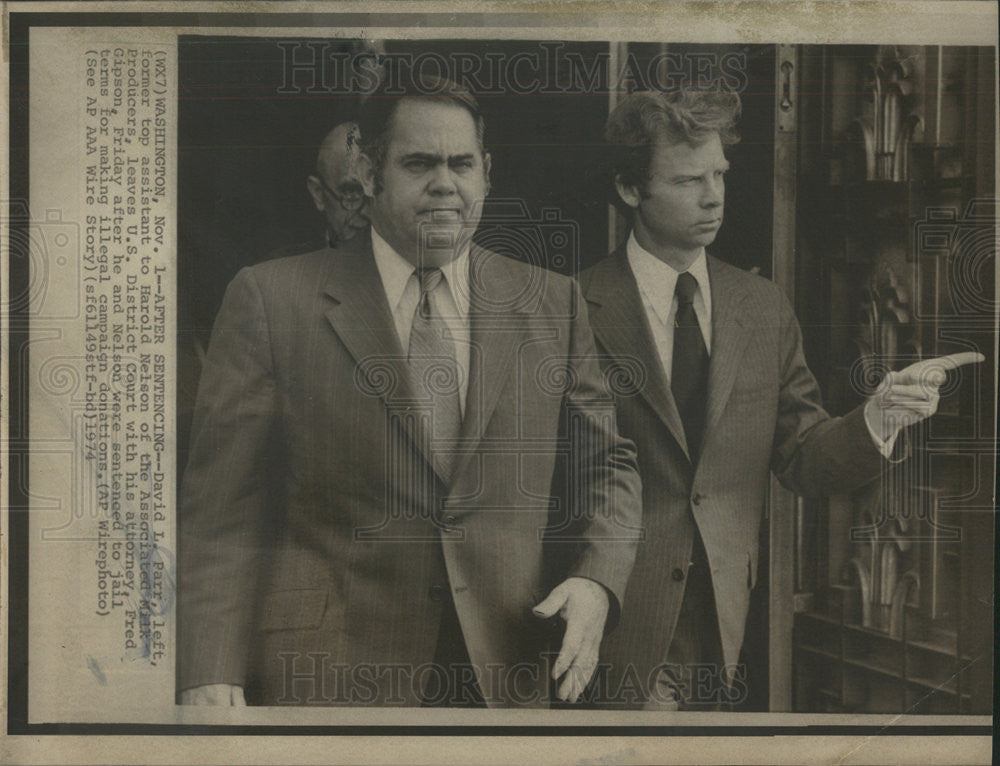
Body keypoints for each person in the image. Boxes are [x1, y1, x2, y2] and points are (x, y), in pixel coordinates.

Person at [177, 73, 642, 708]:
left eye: (462, 164)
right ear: (369, 177)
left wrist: (596, 580)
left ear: (487, 174)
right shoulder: (270, 299)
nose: (444, 184)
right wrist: (209, 667)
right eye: (418, 163)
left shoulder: (549, 301)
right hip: (330, 675)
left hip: (506, 667)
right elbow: (222, 512)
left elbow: (608, 463)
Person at [578, 88, 983, 709]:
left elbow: (803, 457)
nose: (714, 195)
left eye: (719, 174)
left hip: (725, 624)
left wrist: (878, 416)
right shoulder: (572, 306)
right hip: (611, 618)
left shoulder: (760, 307)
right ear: (631, 189)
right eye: (689, 180)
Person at [304, 121, 371, 249]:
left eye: (378, 192)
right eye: (351, 192)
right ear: (318, 193)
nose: (367, 212)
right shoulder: (283, 266)